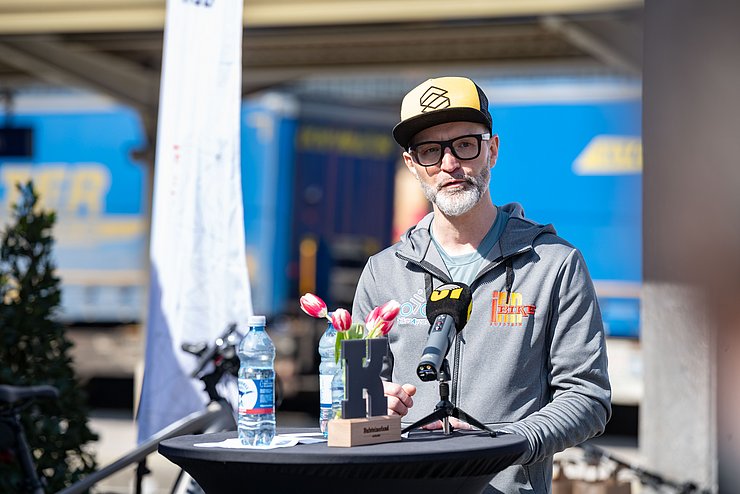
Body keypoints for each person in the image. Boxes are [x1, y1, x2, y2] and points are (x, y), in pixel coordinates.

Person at [351, 76, 611, 493]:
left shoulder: (554, 264)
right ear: (411, 164)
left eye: (465, 145)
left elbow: (588, 398)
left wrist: (506, 443)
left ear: (492, 149)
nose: (450, 164)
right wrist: (371, 404)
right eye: (430, 151)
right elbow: (354, 394)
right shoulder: (383, 272)